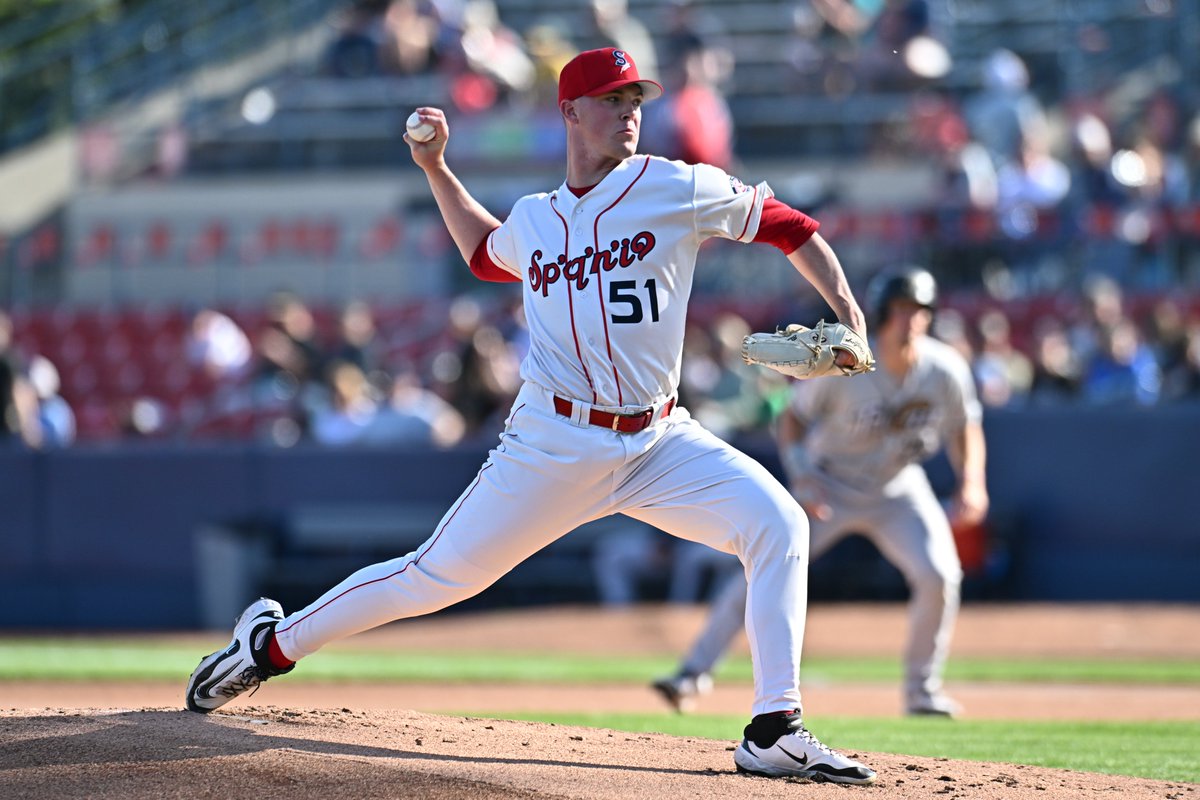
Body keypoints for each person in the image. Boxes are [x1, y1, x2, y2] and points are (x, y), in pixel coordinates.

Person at [185, 47, 877, 785]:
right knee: (431, 578)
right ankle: (267, 647)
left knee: (779, 524)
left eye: (635, 98)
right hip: (553, 441)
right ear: (571, 113)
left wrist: (849, 315)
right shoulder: (537, 219)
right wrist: (436, 170)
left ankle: (775, 727)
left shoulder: (674, 186)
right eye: (612, 100)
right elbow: (487, 255)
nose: (630, 112)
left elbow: (789, 226)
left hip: (658, 438)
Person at [654, 266, 989, 719]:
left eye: (919, 311)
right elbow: (791, 418)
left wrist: (972, 480)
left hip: (898, 487)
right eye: (902, 309)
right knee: (765, 566)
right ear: (882, 313)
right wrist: (803, 476)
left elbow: (965, 425)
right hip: (829, 484)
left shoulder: (944, 368)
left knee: (940, 576)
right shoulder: (845, 365)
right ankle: (692, 673)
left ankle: (921, 692)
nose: (911, 320)